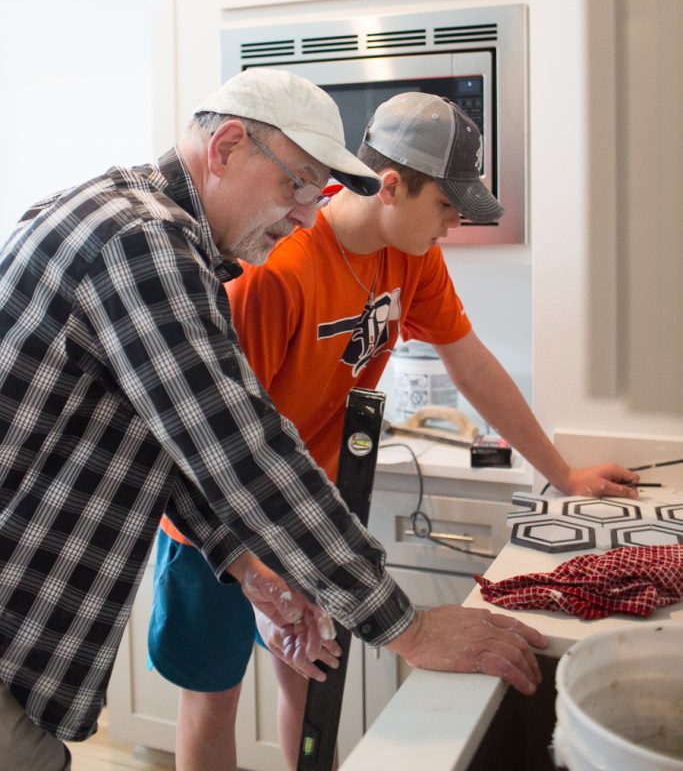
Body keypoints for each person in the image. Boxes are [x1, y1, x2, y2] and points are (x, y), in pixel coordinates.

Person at [0, 70, 548, 771]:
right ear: (227, 146)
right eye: (295, 185)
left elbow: (168, 447)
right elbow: (239, 448)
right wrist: (402, 625)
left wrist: (246, 566)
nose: (303, 213)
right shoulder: (142, 242)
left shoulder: (149, 231)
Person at [150, 90, 639, 771]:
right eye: (444, 205)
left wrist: (562, 474)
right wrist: (257, 577)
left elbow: (471, 362)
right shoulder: (277, 269)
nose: (451, 224)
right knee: (213, 698)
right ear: (389, 185)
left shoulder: (409, 258)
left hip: (307, 509)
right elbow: (215, 443)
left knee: (308, 678)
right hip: (214, 524)